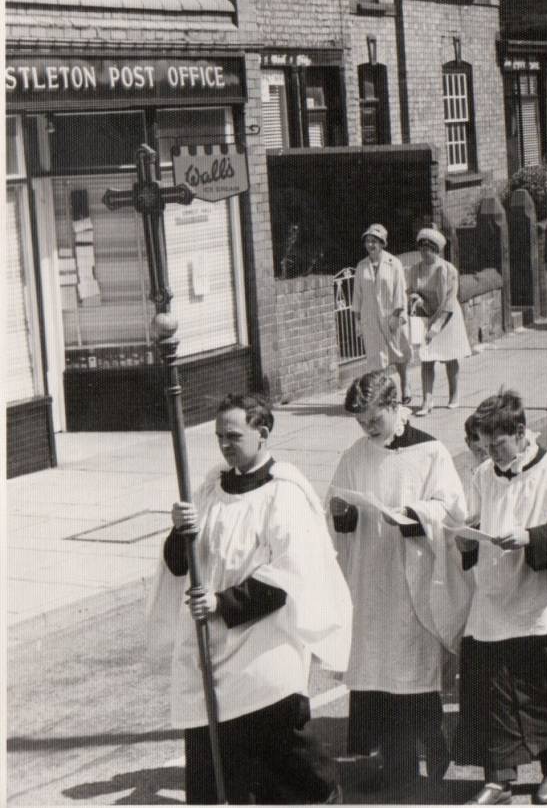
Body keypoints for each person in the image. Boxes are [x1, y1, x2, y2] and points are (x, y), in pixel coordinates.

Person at [149, 394, 352, 804]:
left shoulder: (286, 492)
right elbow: (177, 565)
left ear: (263, 433)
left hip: (264, 642)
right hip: (213, 646)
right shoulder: (210, 487)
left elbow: (290, 576)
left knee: (285, 762)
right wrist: (178, 532)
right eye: (219, 436)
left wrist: (223, 603)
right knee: (218, 764)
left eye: (234, 436)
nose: (225, 445)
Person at [328, 370, 468, 793]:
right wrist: (341, 512)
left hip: (411, 574)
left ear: (394, 406)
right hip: (370, 577)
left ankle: (428, 755)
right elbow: (340, 507)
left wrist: (412, 514)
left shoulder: (430, 452)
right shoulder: (355, 455)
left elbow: (451, 509)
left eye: (374, 418)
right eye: (362, 422)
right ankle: (391, 763)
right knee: (374, 673)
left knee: (409, 669)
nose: (368, 428)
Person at [453, 390, 547, 806]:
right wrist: (466, 542)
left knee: (541, 685)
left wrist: (530, 537)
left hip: (540, 598)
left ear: (520, 432)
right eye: (483, 445)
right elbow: (474, 520)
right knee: (494, 687)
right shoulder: (483, 475)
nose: (490, 453)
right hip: (494, 597)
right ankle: (499, 778)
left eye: (497, 444)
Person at [408, 227, 472, 414]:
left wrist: (436, 327)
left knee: (450, 357)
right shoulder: (415, 269)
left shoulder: (448, 270)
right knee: (426, 359)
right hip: (425, 316)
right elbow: (411, 289)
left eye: (428, 249)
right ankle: (427, 401)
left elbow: (450, 301)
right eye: (421, 248)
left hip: (448, 318)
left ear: (436, 250)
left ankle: (454, 394)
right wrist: (415, 297)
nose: (424, 253)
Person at [352, 223, 411, 401]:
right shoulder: (361, 266)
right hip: (371, 319)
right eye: (368, 241)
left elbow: (400, 292)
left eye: (375, 241)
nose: (371, 245)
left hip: (392, 317)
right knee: (377, 360)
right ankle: (385, 394)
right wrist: (357, 321)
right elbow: (357, 296)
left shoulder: (394, 263)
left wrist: (396, 315)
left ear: (382, 243)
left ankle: (406, 386)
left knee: (399, 354)